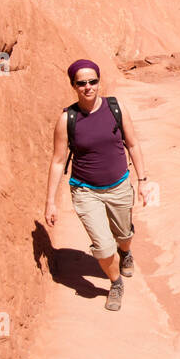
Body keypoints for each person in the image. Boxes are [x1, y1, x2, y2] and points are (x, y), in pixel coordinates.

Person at [44, 59, 150, 311]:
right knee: (103, 247)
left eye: (93, 81)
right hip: (85, 190)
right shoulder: (67, 119)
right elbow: (58, 161)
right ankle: (115, 283)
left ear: (99, 81)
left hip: (119, 186)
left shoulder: (116, 108)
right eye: (82, 83)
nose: (88, 87)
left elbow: (133, 144)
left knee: (123, 235)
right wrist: (50, 202)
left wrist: (143, 181)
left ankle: (125, 252)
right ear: (73, 85)